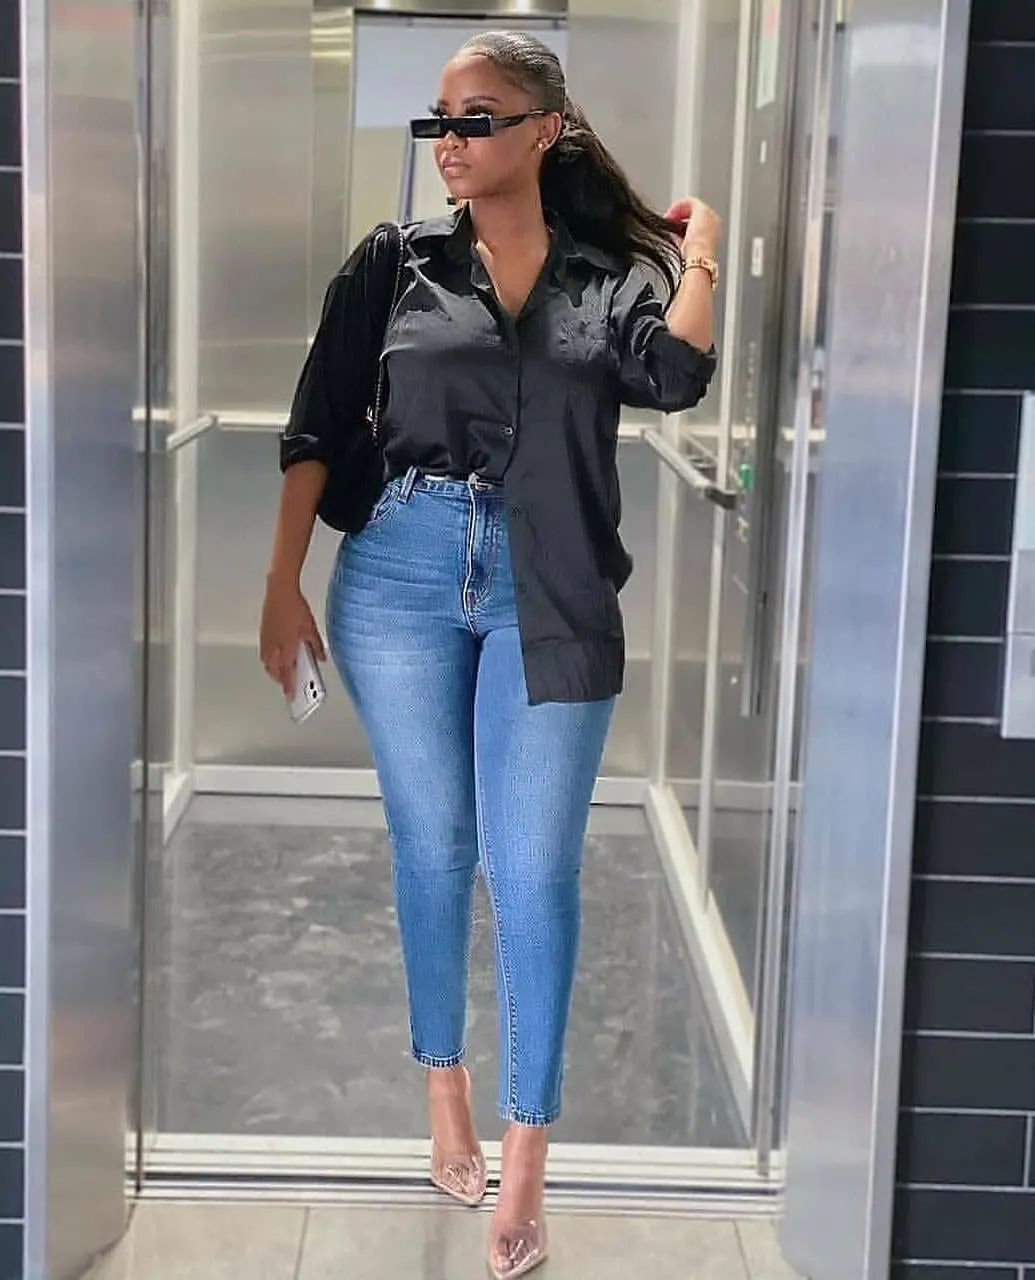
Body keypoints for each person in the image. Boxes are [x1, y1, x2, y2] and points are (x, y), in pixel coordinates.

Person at [260, 29, 720, 1279]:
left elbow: (677, 373)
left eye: (476, 118)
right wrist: (282, 583)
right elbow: (316, 424)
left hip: (552, 587)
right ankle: (443, 1086)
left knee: (533, 870)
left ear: (543, 130)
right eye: (440, 121)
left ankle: (526, 1152)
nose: (450, 142)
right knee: (435, 845)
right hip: (399, 572)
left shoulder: (606, 283)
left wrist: (704, 248)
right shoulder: (394, 263)